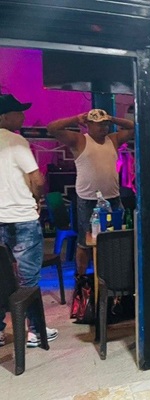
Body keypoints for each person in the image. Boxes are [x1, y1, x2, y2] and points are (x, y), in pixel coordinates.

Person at [0, 94, 58, 347]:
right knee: (29, 280)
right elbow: (37, 178)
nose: (23, 116)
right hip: (22, 218)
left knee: (1, 278)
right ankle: (35, 331)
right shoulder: (16, 141)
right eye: (18, 112)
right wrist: (36, 198)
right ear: (4, 116)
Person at [47, 109, 135, 276]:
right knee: (85, 242)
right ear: (88, 125)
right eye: (99, 124)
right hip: (88, 200)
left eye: (105, 124)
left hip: (113, 198)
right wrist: (75, 118)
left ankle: (111, 275)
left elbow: (135, 127)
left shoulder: (113, 139)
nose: (104, 128)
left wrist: (113, 118)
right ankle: (81, 278)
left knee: (116, 239)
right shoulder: (80, 140)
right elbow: (52, 128)